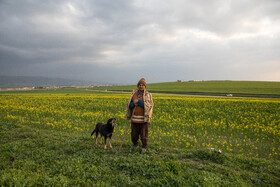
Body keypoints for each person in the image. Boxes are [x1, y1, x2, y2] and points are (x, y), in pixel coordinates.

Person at [125, 78, 154, 154]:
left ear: (145, 86)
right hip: (134, 119)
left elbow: (149, 106)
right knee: (134, 134)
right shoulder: (133, 94)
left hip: (144, 119)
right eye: (140, 85)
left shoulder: (148, 95)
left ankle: (144, 147)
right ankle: (135, 145)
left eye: (143, 85)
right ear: (138, 86)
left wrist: (139, 102)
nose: (141, 86)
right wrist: (133, 104)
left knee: (144, 135)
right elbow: (129, 105)